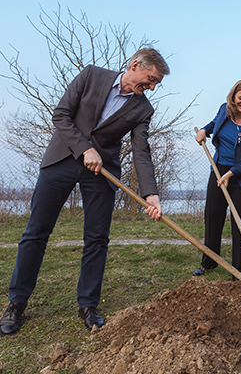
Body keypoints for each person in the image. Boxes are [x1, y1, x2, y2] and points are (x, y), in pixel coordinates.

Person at [0, 48, 169, 335]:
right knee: (36, 232)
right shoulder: (92, 75)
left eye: (156, 84)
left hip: (101, 174)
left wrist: (150, 193)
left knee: (97, 238)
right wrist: (85, 148)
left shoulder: (143, 109)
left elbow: (141, 151)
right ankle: (16, 303)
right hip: (62, 160)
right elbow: (61, 115)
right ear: (135, 65)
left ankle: (88, 305)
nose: (151, 87)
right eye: (150, 79)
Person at [193, 79, 241, 278]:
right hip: (219, 169)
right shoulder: (224, 110)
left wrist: (231, 174)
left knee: (240, 223)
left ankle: (239, 270)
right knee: (213, 216)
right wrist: (204, 130)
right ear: (233, 96)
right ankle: (209, 262)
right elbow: (215, 122)